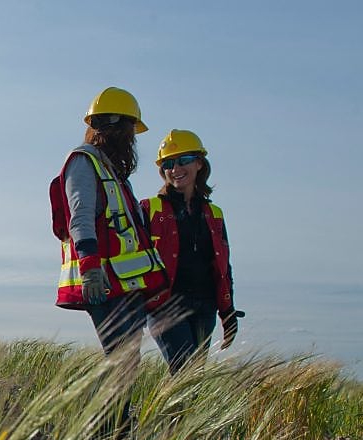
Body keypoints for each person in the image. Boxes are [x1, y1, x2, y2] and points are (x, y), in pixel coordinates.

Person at [51, 87, 168, 364]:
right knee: (121, 360)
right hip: (102, 282)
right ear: (118, 127)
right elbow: (80, 216)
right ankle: (107, 410)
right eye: (131, 131)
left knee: (127, 361)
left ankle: (119, 410)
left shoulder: (113, 172)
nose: (132, 140)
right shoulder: (84, 162)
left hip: (125, 284)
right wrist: (90, 267)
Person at [140, 129, 239, 374]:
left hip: (205, 306)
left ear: (199, 163)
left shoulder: (214, 213)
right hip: (165, 305)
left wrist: (228, 313)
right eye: (168, 164)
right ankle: (165, 413)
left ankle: (169, 414)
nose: (175, 169)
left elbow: (223, 268)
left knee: (192, 378)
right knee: (184, 369)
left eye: (183, 161)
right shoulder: (148, 209)